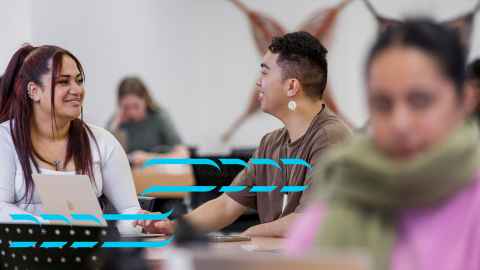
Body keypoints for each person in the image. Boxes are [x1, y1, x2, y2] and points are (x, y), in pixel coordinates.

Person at [285, 19, 480, 270]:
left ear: (463, 101)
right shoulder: (338, 200)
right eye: (383, 104)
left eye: (420, 100)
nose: (400, 123)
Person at [137, 31, 351, 237]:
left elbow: (308, 222)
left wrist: (249, 234)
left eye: (265, 72)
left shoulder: (330, 138)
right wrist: (173, 226)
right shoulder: (271, 143)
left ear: (292, 86)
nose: (259, 82)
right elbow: (226, 205)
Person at [0, 45, 141, 232]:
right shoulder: (5, 139)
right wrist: (52, 228)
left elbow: (129, 211)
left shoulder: (103, 141)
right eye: (63, 82)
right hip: (21, 257)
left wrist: (140, 223)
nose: (77, 90)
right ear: (34, 91)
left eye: (79, 80)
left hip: (88, 257)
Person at [107, 76, 185, 167]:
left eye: (136, 106)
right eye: (126, 107)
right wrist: (115, 125)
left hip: (158, 174)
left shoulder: (159, 117)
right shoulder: (118, 120)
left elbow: (183, 154)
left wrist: (148, 158)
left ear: (146, 100)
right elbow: (105, 156)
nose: (132, 112)